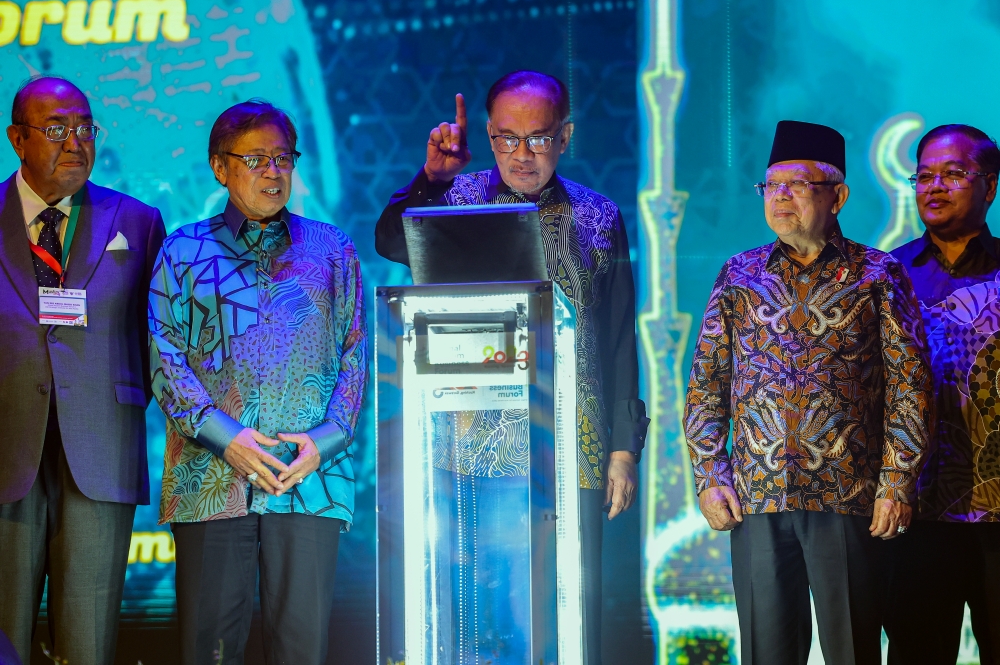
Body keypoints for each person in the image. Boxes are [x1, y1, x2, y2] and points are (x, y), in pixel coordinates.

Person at [375, 70, 648, 664]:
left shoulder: (599, 216)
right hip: (474, 446)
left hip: (573, 447)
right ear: (490, 137)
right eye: (506, 139)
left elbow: (620, 337)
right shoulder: (457, 198)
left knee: (565, 612)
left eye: (539, 138)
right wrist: (431, 179)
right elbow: (391, 243)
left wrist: (624, 447)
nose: (522, 155)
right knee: (484, 612)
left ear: (565, 135)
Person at [684, 120, 933, 665]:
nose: (780, 197)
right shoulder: (740, 275)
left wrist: (898, 480)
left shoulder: (878, 274)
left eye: (797, 184)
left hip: (850, 498)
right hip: (757, 498)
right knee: (767, 652)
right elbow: (706, 382)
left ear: (838, 196)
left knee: (852, 648)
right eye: (771, 186)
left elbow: (910, 387)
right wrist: (709, 474)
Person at [148, 100, 367, 664]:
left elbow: (354, 354)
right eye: (256, 159)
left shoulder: (332, 249)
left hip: (309, 480)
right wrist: (227, 437)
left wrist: (327, 441)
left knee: (300, 648)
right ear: (220, 167)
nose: (274, 171)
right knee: (211, 648)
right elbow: (161, 351)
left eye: (283, 158)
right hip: (211, 478)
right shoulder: (184, 250)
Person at [0, 76, 165, 665]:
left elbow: (160, 340)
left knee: (89, 643)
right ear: (17, 139)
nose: (75, 142)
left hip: (100, 446)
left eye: (84, 129)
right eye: (55, 130)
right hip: (5, 452)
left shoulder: (139, 222)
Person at [885, 124, 1000, 665]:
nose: (934, 186)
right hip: (917, 509)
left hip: (999, 508)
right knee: (917, 651)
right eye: (924, 176)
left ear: (990, 187)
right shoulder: (887, 274)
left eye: (953, 174)